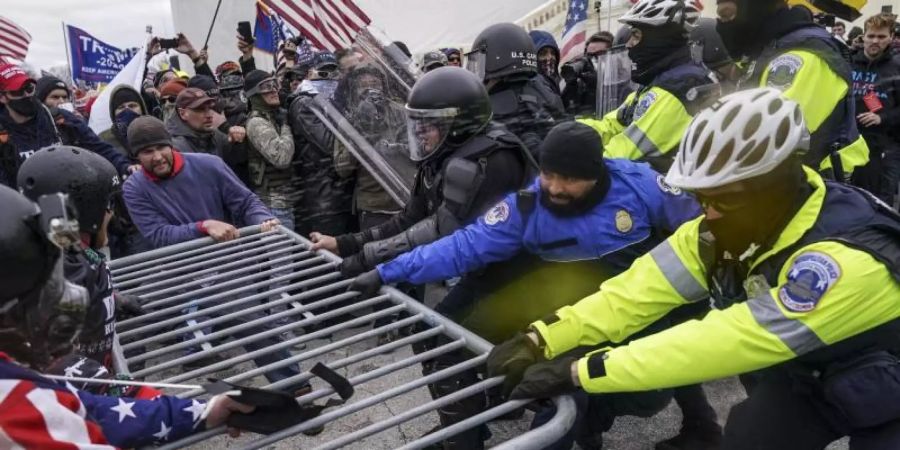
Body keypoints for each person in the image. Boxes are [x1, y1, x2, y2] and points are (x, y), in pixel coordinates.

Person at [488, 87, 900, 450]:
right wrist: (541, 337)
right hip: (812, 372)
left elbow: (723, 340)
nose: (710, 213)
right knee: (749, 438)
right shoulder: (719, 229)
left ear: (777, 182)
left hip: (887, 375)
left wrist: (583, 370)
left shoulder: (844, 259)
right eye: (702, 197)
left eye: (725, 199)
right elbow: (634, 293)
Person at [349, 122, 701, 449]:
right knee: (561, 387)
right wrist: (386, 271)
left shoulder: (639, 186)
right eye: (549, 174)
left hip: (638, 301)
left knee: (649, 395)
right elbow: (463, 246)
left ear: (597, 173)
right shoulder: (527, 207)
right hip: (568, 312)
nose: (555, 187)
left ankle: (600, 422)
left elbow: (700, 230)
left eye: (569, 179)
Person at [0, 184, 255, 448]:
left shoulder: (14, 377)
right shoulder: (15, 413)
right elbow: (61, 416)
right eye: (37, 295)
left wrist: (201, 412)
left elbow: (80, 409)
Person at [121, 116, 309, 386]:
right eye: (147, 152)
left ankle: (296, 387)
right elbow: (158, 235)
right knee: (131, 318)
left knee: (253, 324)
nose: (157, 157)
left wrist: (262, 219)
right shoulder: (134, 187)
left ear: (170, 143)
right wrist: (204, 226)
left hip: (225, 263)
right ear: (136, 156)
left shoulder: (208, 165)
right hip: (179, 269)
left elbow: (245, 202)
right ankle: (129, 395)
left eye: (161, 148)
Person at [310, 67, 535, 279]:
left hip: (518, 275)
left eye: (428, 124)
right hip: (476, 267)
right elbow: (407, 220)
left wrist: (365, 262)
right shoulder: (439, 158)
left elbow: (437, 232)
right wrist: (343, 244)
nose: (419, 134)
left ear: (456, 125)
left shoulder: (490, 161)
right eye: (417, 124)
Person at [16, 145, 143, 370]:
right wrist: (112, 388)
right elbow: (53, 357)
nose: (111, 213)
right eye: (108, 204)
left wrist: (112, 297)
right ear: (86, 209)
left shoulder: (67, 251)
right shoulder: (60, 267)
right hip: (77, 399)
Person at [715, 0, 869, 180]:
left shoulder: (800, 56)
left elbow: (765, 144)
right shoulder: (770, 49)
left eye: (727, 15)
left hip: (805, 189)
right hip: (781, 187)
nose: (724, 25)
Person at [579, 0, 717, 173]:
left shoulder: (674, 91)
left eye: (636, 35)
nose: (629, 44)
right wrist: (568, 131)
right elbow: (611, 124)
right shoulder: (656, 84)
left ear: (659, 40)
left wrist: (567, 163)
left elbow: (617, 158)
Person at [0, 63, 133, 178]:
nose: (26, 95)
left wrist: (126, 167)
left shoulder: (60, 119)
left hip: (71, 197)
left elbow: (99, 147)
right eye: (17, 92)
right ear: (3, 97)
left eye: (29, 89)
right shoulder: (3, 135)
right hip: (24, 203)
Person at [466, 23, 567, 156]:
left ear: (496, 61)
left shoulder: (498, 108)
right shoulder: (540, 93)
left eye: (479, 62)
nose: (476, 71)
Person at [288, 53, 355, 237]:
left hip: (343, 192)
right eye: (324, 72)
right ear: (310, 74)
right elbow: (328, 143)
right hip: (323, 197)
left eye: (334, 72)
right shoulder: (303, 103)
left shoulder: (337, 102)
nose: (330, 78)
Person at [850, 13, 900, 206]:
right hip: (851, 143)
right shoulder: (849, 61)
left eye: (881, 37)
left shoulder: (897, 67)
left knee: (880, 203)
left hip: (886, 147)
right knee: (851, 198)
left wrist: (883, 118)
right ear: (864, 36)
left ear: (891, 37)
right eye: (871, 36)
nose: (875, 41)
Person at [243, 70, 298, 231]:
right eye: (266, 86)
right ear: (254, 94)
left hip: (287, 202)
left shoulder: (273, 117)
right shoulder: (256, 122)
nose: (274, 90)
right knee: (283, 256)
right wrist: (286, 125)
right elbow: (282, 158)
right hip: (274, 207)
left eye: (275, 84)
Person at [529, 30, 562, 94]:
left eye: (553, 53)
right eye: (543, 53)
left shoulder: (560, 81)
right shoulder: (532, 91)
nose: (549, 57)